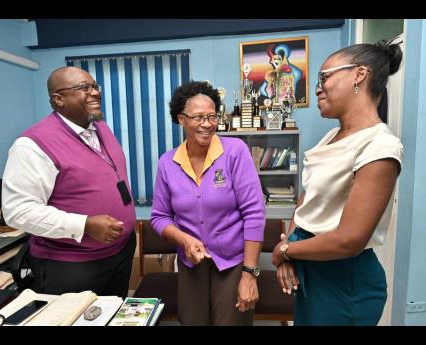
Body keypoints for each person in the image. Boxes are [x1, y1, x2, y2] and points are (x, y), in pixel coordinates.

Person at [271, 39, 404, 325]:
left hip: (344, 283)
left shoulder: (380, 146)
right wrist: (289, 255)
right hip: (311, 270)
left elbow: (348, 241)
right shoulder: (332, 137)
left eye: (324, 77)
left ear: (359, 74)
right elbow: (307, 200)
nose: (317, 87)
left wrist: (284, 250)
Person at [2, 66, 136, 298]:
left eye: (95, 86)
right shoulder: (32, 145)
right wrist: (84, 225)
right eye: (84, 88)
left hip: (120, 252)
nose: (95, 92)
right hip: (73, 264)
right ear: (58, 99)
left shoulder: (100, 128)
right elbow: (17, 211)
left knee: (113, 316)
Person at [151, 80, 265, 326]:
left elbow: (254, 213)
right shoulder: (167, 163)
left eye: (212, 116)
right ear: (181, 119)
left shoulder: (235, 151)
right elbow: (159, 217)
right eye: (198, 117)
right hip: (192, 264)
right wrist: (184, 240)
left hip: (234, 263)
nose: (207, 124)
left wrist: (249, 273)